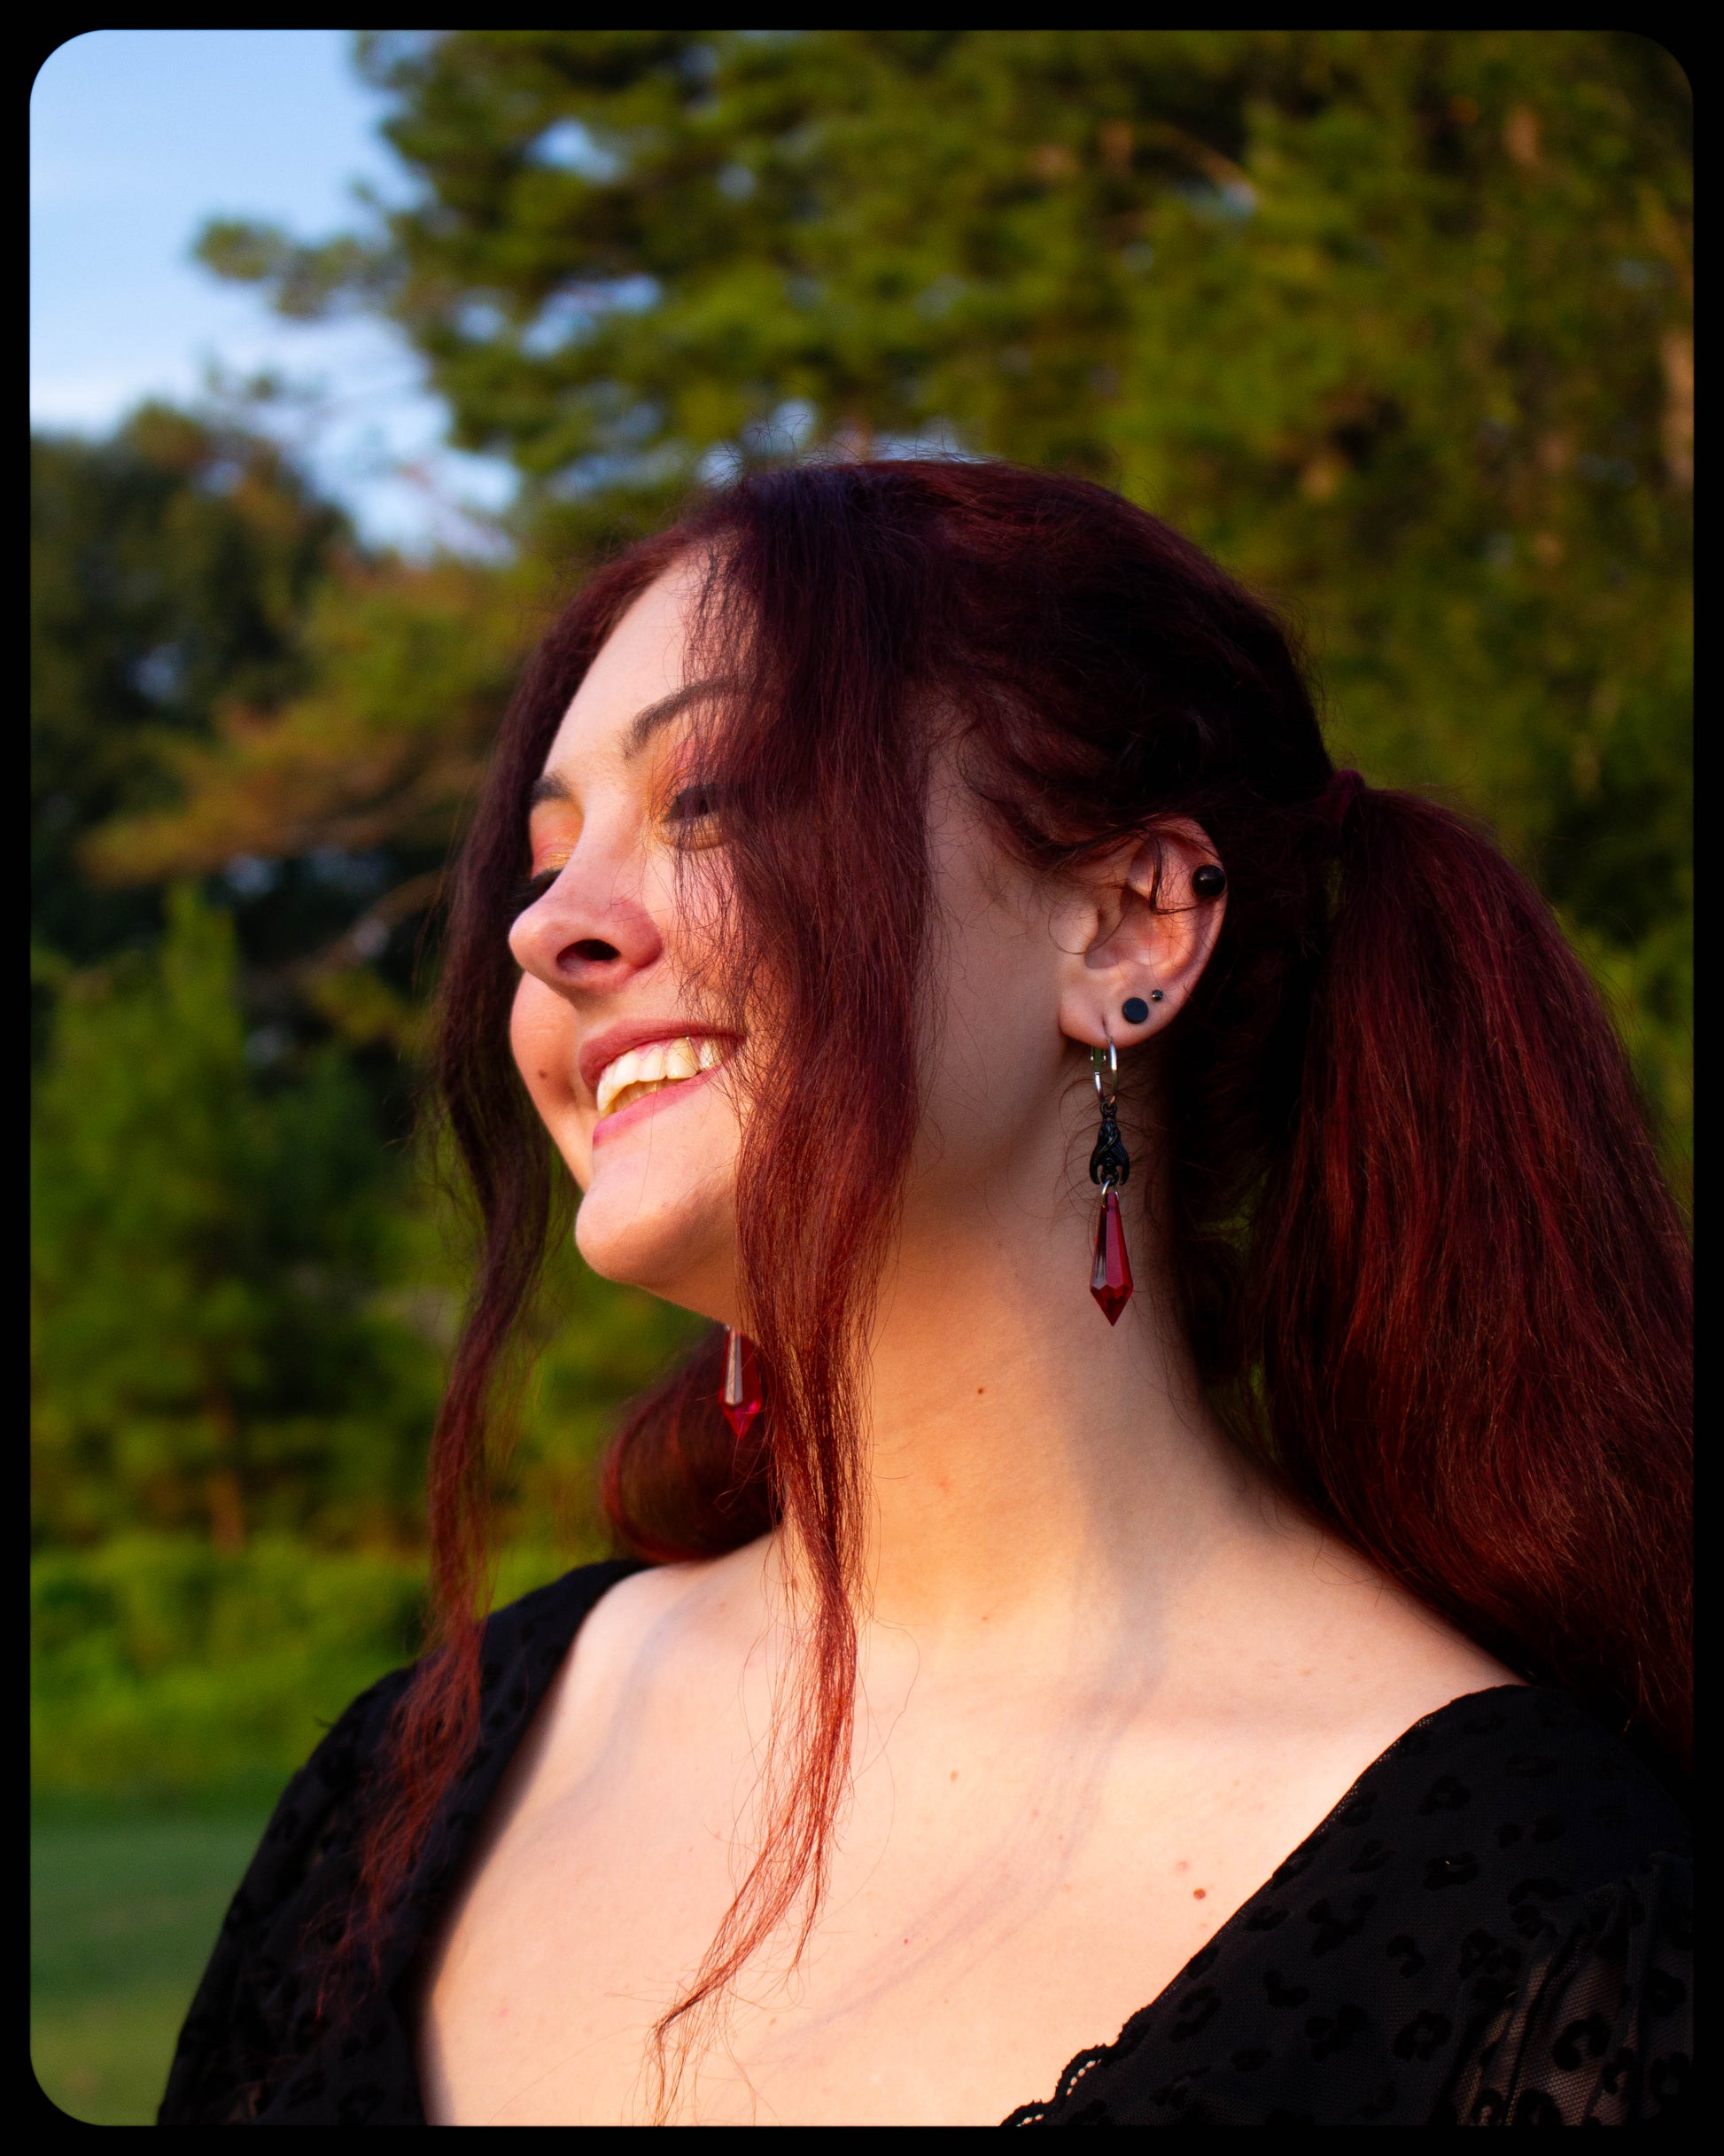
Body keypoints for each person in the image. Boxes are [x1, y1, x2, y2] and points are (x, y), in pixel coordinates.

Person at [160, 462, 1691, 2127]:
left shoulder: (1549, 1920)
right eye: (547, 857)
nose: (548, 931)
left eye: (709, 798)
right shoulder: (402, 1785)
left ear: (1125, 927)